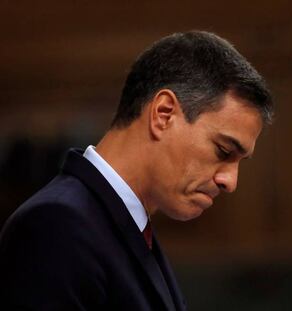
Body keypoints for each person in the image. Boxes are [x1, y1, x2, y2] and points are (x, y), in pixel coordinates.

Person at [0, 31, 273, 310]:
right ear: (163, 114)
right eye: (223, 151)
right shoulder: (56, 224)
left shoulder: (128, 225)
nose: (230, 181)